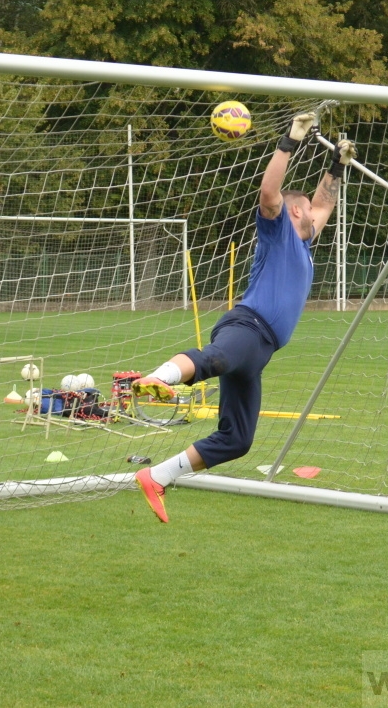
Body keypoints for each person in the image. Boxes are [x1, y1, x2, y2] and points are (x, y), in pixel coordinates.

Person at [130, 112, 356, 523]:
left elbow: (324, 203)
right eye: (306, 209)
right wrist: (290, 141)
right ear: (294, 214)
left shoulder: (304, 241)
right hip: (247, 327)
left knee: (237, 439)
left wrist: (338, 165)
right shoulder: (278, 230)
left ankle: (156, 476)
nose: (315, 214)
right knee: (216, 359)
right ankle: (157, 379)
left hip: (261, 349)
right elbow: (270, 192)